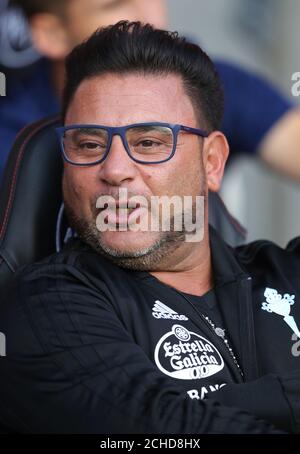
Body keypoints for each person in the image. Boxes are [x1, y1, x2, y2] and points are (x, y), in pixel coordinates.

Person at [0, 21, 299, 434]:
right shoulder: (45, 305)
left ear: (211, 162)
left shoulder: (286, 271)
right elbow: (159, 432)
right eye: (89, 144)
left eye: (149, 143)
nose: (115, 170)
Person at [2, 0, 300, 185]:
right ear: (52, 34)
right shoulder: (12, 135)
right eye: (115, 4)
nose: (150, 19)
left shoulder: (209, 83)